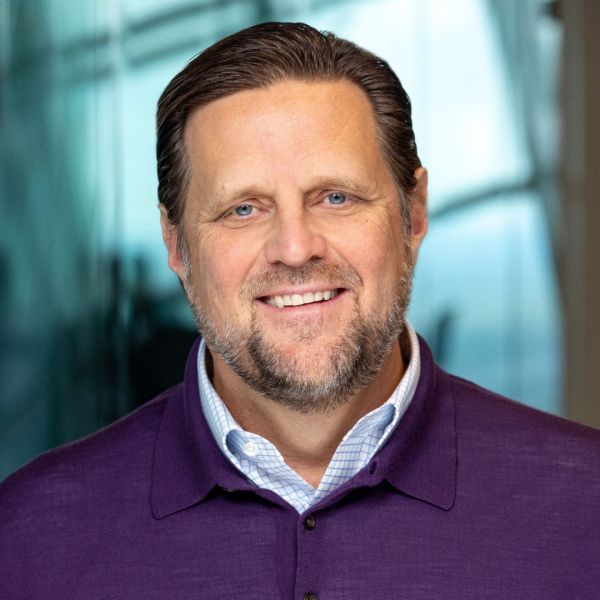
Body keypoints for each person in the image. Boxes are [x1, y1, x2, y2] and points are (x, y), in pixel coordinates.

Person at [1, 22, 599, 599]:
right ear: (177, 245)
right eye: (243, 209)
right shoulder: (29, 537)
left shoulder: (586, 508)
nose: (294, 249)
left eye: (335, 197)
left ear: (412, 213)